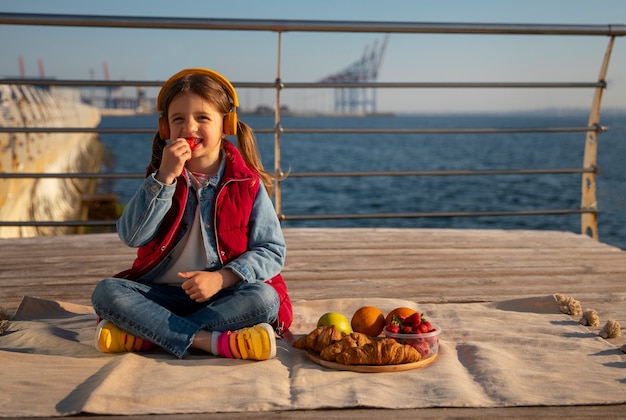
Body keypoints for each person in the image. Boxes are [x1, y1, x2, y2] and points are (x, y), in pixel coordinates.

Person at [91, 68, 292, 360]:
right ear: (165, 129)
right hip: (161, 297)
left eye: (202, 118)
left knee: (264, 300)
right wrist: (164, 179)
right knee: (107, 293)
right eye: (178, 119)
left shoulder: (247, 182)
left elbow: (272, 250)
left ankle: (150, 335)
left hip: (221, 297)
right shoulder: (159, 179)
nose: (190, 127)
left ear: (227, 124)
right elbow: (131, 236)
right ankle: (209, 341)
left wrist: (222, 279)